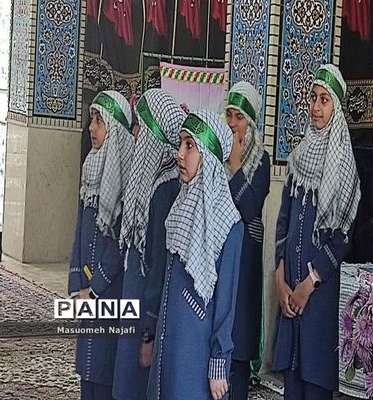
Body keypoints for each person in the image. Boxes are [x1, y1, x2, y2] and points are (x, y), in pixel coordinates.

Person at [272, 64, 361, 400]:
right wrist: (280, 279)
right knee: (292, 383)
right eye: (313, 98)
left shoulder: (344, 167)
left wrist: (308, 284)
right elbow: (283, 222)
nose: (316, 107)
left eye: (325, 100)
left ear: (336, 108)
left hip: (317, 296)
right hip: (289, 292)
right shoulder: (298, 158)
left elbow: (342, 239)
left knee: (314, 383)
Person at [147, 109, 244, 400]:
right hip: (168, 341)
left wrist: (219, 363)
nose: (180, 154)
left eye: (189, 145)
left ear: (208, 157)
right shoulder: (179, 209)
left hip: (196, 350)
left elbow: (226, 303)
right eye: (180, 143)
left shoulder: (229, 224)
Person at [112, 89, 186, 399]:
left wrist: (148, 333)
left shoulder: (165, 188)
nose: (136, 134)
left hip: (145, 307)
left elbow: (157, 266)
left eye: (141, 127)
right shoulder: (150, 180)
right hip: (134, 301)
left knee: (135, 385)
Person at [68, 90, 135, 400]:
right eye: (91, 120)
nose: (91, 128)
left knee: (104, 370)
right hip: (87, 288)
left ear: (115, 129)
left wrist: (94, 289)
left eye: (99, 121)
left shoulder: (126, 177)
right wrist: (76, 285)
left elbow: (118, 245)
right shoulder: (91, 166)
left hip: (110, 291)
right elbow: (80, 230)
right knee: (87, 370)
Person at [225, 81, 271, 399]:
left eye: (239, 117)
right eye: (229, 115)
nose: (232, 123)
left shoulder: (261, 162)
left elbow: (251, 208)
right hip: (222, 262)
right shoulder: (216, 158)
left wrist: (236, 167)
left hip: (245, 265)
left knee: (238, 351)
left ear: (251, 122)